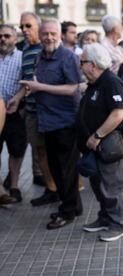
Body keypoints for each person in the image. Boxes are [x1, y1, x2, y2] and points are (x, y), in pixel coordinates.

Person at [20, 18, 83, 229]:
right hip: (46, 121)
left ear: (60, 35)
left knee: (65, 170)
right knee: (57, 169)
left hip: (66, 121)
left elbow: (73, 88)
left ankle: (67, 212)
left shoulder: (68, 57)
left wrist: (40, 87)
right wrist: (24, 93)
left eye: (52, 34)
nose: (48, 37)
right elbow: (37, 83)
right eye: (45, 33)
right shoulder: (40, 56)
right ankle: (75, 206)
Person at [78, 43, 123, 241]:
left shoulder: (111, 82)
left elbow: (118, 114)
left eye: (82, 62)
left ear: (92, 64)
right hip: (95, 149)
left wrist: (97, 135)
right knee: (100, 186)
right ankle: (105, 218)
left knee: (112, 187)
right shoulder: (96, 83)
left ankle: (119, 224)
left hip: (110, 148)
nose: (80, 66)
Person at [6, 12, 59, 206]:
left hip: (52, 112)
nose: (24, 30)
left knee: (56, 153)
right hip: (32, 113)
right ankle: (51, 189)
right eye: (21, 27)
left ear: (39, 26)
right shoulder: (26, 50)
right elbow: (27, 82)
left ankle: (65, 192)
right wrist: (18, 99)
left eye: (28, 26)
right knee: (40, 153)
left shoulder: (49, 48)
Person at [0, 24, 27, 202]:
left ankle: (14, 185)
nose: (2, 39)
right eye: (0, 36)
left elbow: (28, 83)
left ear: (15, 39)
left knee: (16, 150)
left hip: (14, 111)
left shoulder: (23, 58)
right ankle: (1, 191)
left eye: (7, 36)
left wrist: (17, 97)